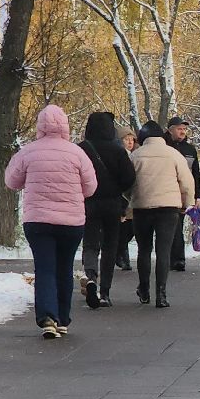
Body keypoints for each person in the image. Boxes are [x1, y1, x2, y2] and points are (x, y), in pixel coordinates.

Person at [4, 105, 96, 338]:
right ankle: (63, 319)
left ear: (40, 126)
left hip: (38, 221)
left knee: (45, 268)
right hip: (71, 222)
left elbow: (11, 181)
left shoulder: (28, 152)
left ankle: (47, 316)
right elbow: (91, 187)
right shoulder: (77, 153)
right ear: (65, 125)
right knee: (64, 268)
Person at [129, 128, 194, 308]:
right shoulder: (174, 154)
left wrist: (131, 198)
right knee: (163, 250)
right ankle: (161, 294)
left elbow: (127, 180)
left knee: (144, 249)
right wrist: (185, 203)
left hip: (142, 207)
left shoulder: (135, 155)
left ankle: (144, 290)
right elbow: (187, 182)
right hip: (168, 208)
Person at [78, 111, 137, 310]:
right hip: (112, 204)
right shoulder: (118, 150)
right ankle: (105, 292)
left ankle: (91, 275)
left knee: (91, 242)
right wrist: (117, 189)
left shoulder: (82, 149)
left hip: (88, 202)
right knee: (111, 245)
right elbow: (129, 178)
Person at [164, 117, 200, 273]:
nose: (182, 131)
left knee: (178, 226)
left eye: (184, 129)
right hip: (169, 192)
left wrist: (197, 196)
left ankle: (177, 259)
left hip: (185, 193)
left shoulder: (190, 150)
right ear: (170, 129)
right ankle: (174, 258)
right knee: (173, 226)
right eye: (179, 128)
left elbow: (195, 174)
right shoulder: (165, 147)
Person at [114, 124, 138, 272]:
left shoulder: (135, 155)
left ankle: (121, 254)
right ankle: (122, 257)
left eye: (132, 139)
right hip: (122, 197)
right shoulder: (119, 155)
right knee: (123, 229)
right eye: (126, 139)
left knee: (130, 229)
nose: (130, 142)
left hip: (132, 197)